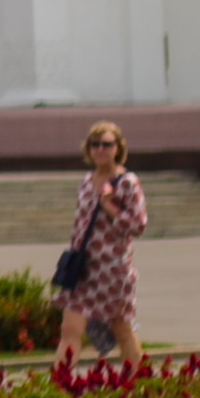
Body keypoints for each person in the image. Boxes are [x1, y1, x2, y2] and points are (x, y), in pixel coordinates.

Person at [57, 122, 146, 371]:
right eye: (95, 145)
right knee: (70, 328)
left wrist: (109, 207)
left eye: (107, 144)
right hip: (85, 268)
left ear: (118, 148)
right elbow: (80, 224)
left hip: (113, 270)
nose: (101, 150)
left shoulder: (127, 182)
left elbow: (139, 224)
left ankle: (139, 382)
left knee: (122, 328)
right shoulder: (86, 182)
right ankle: (57, 387)